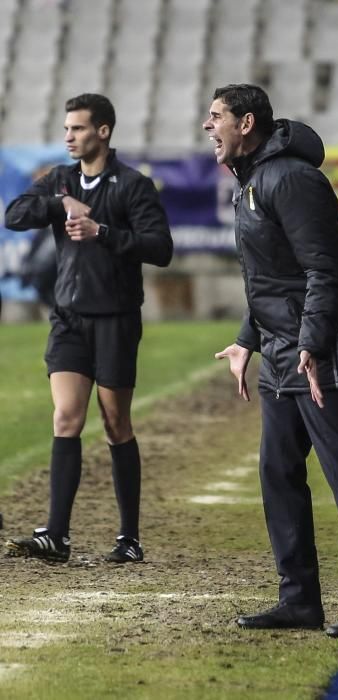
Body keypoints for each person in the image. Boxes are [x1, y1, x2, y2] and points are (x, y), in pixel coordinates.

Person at [203, 84, 338, 642]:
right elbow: (270, 280)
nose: (206, 125)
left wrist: (312, 344)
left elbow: (325, 270)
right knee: (278, 470)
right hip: (283, 349)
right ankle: (298, 599)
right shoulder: (253, 181)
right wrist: (247, 340)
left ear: (246, 124)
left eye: (214, 116)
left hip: (317, 348)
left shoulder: (290, 179)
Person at [4, 93, 173, 563]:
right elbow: (13, 215)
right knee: (66, 418)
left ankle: (129, 537)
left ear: (103, 131)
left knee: (116, 423)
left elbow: (160, 248)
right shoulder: (59, 181)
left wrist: (102, 231)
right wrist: (60, 206)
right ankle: (56, 534)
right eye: (65, 129)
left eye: (77, 129)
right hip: (69, 318)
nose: (68, 137)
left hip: (116, 318)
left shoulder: (133, 185)